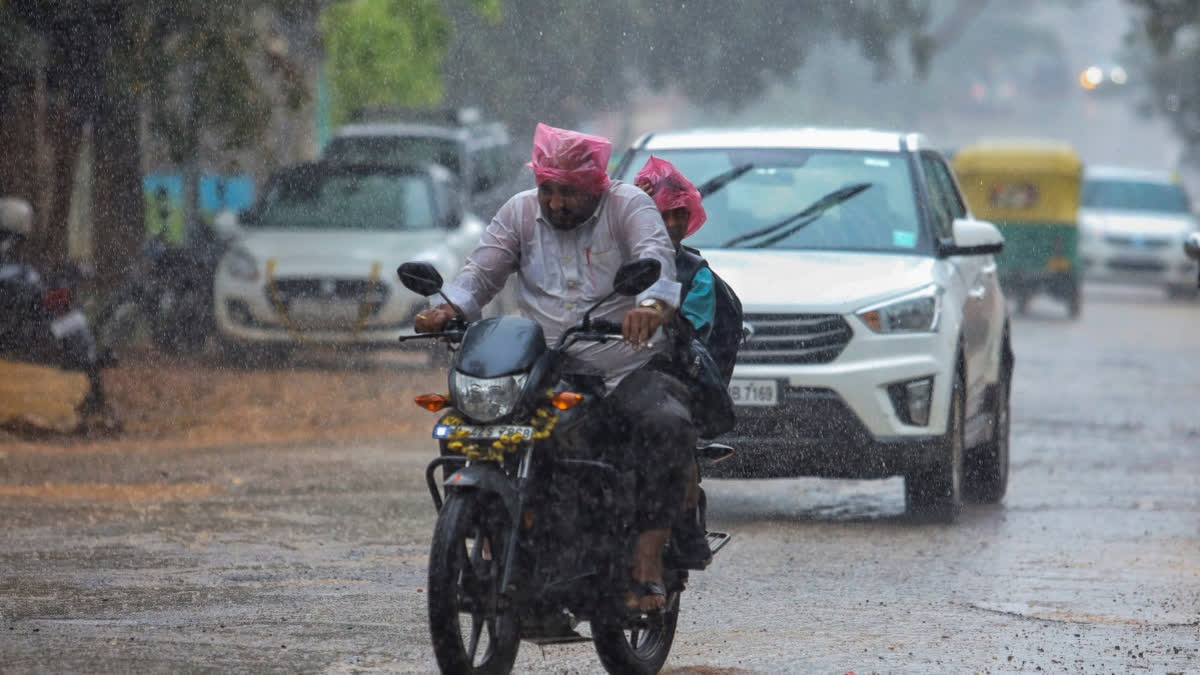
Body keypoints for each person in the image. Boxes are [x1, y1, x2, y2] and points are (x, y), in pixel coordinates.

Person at [414, 123, 695, 613]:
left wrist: (649, 306)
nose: (556, 202)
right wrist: (449, 308)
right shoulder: (520, 212)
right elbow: (481, 273)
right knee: (477, 423)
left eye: (570, 192)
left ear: (597, 187)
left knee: (663, 424)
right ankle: (499, 538)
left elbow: (657, 262)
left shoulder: (629, 206)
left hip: (626, 364)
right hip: (547, 365)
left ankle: (647, 566)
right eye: (548, 189)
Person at [635, 156, 716, 569]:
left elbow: (692, 331)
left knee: (674, 434)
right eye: (661, 215)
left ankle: (686, 528)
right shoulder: (612, 255)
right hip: (610, 367)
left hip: (669, 370)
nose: (672, 225)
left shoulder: (696, 273)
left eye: (680, 214)